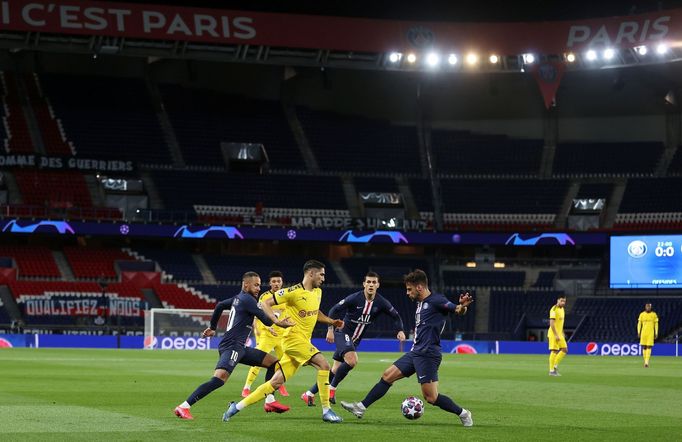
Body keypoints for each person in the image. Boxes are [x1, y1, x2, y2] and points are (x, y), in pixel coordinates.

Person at [340, 269, 474, 427]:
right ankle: (361, 408)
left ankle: (463, 413)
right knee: (387, 375)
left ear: (419, 287)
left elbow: (457, 309)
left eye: (409, 289)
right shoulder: (421, 304)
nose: (407, 293)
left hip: (428, 354)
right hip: (416, 352)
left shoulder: (437, 300)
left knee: (431, 398)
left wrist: (462, 306)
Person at [222, 260, 346, 423]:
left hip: (302, 341)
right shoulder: (292, 292)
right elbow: (264, 303)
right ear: (311, 273)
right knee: (324, 365)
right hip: (293, 339)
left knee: (275, 382)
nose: (323, 278)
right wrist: (276, 320)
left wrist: (331, 321)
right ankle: (326, 410)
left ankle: (235, 408)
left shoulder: (318, 292)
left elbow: (315, 312)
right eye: (321, 274)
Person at [173, 271, 294, 420]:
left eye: (259, 285)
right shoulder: (248, 300)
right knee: (219, 379)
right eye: (255, 285)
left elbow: (219, 305)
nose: (258, 288)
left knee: (273, 362)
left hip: (239, 347)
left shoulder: (238, 298)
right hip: (232, 346)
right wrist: (275, 315)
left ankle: (269, 401)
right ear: (246, 284)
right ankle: (184, 406)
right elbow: (267, 321)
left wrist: (212, 327)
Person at [301, 271, 405, 406]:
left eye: (374, 282)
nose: (371, 285)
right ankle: (331, 389)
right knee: (352, 360)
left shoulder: (381, 302)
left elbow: (395, 316)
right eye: (368, 282)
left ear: (378, 285)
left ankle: (308, 394)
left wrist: (400, 330)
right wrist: (330, 329)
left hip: (354, 341)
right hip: (343, 333)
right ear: (364, 284)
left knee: (334, 370)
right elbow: (334, 310)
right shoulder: (355, 298)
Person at [242, 270, 290, 399]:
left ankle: (279, 385)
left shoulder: (286, 296)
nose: (276, 284)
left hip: (282, 336)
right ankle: (247, 387)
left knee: (282, 363)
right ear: (269, 283)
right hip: (267, 335)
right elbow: (258, 316)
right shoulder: (264, 297)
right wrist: (268, 329)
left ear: (282, 282)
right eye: (273, 281)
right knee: (257, 361)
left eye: (278, 281)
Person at [548, 295, 567, 377]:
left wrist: (562, 332)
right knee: (554, 351)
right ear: (558, 300)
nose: (563, 302)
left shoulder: (562, 309)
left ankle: (555, 365)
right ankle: (551, 371)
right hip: (553, 333)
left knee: (564, 349)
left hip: (559, 334)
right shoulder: (554, 309)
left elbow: (560, 323)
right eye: (561, 301)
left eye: (564, 301)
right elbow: (552, 323)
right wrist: (556, 335)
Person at [638, 303, 659, 368]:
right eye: (646, 307)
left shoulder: (654, 314)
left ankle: (647, 362)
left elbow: (656, 324)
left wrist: (656, 332)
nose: (647, 308)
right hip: (643, 333)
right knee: (644, 347)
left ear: (650, 307)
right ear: (645, 307)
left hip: (650, 333)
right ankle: (645, 361)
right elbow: (639, 324)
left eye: (649, 307)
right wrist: (638, 332)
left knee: (649, 347)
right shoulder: (642, 314)